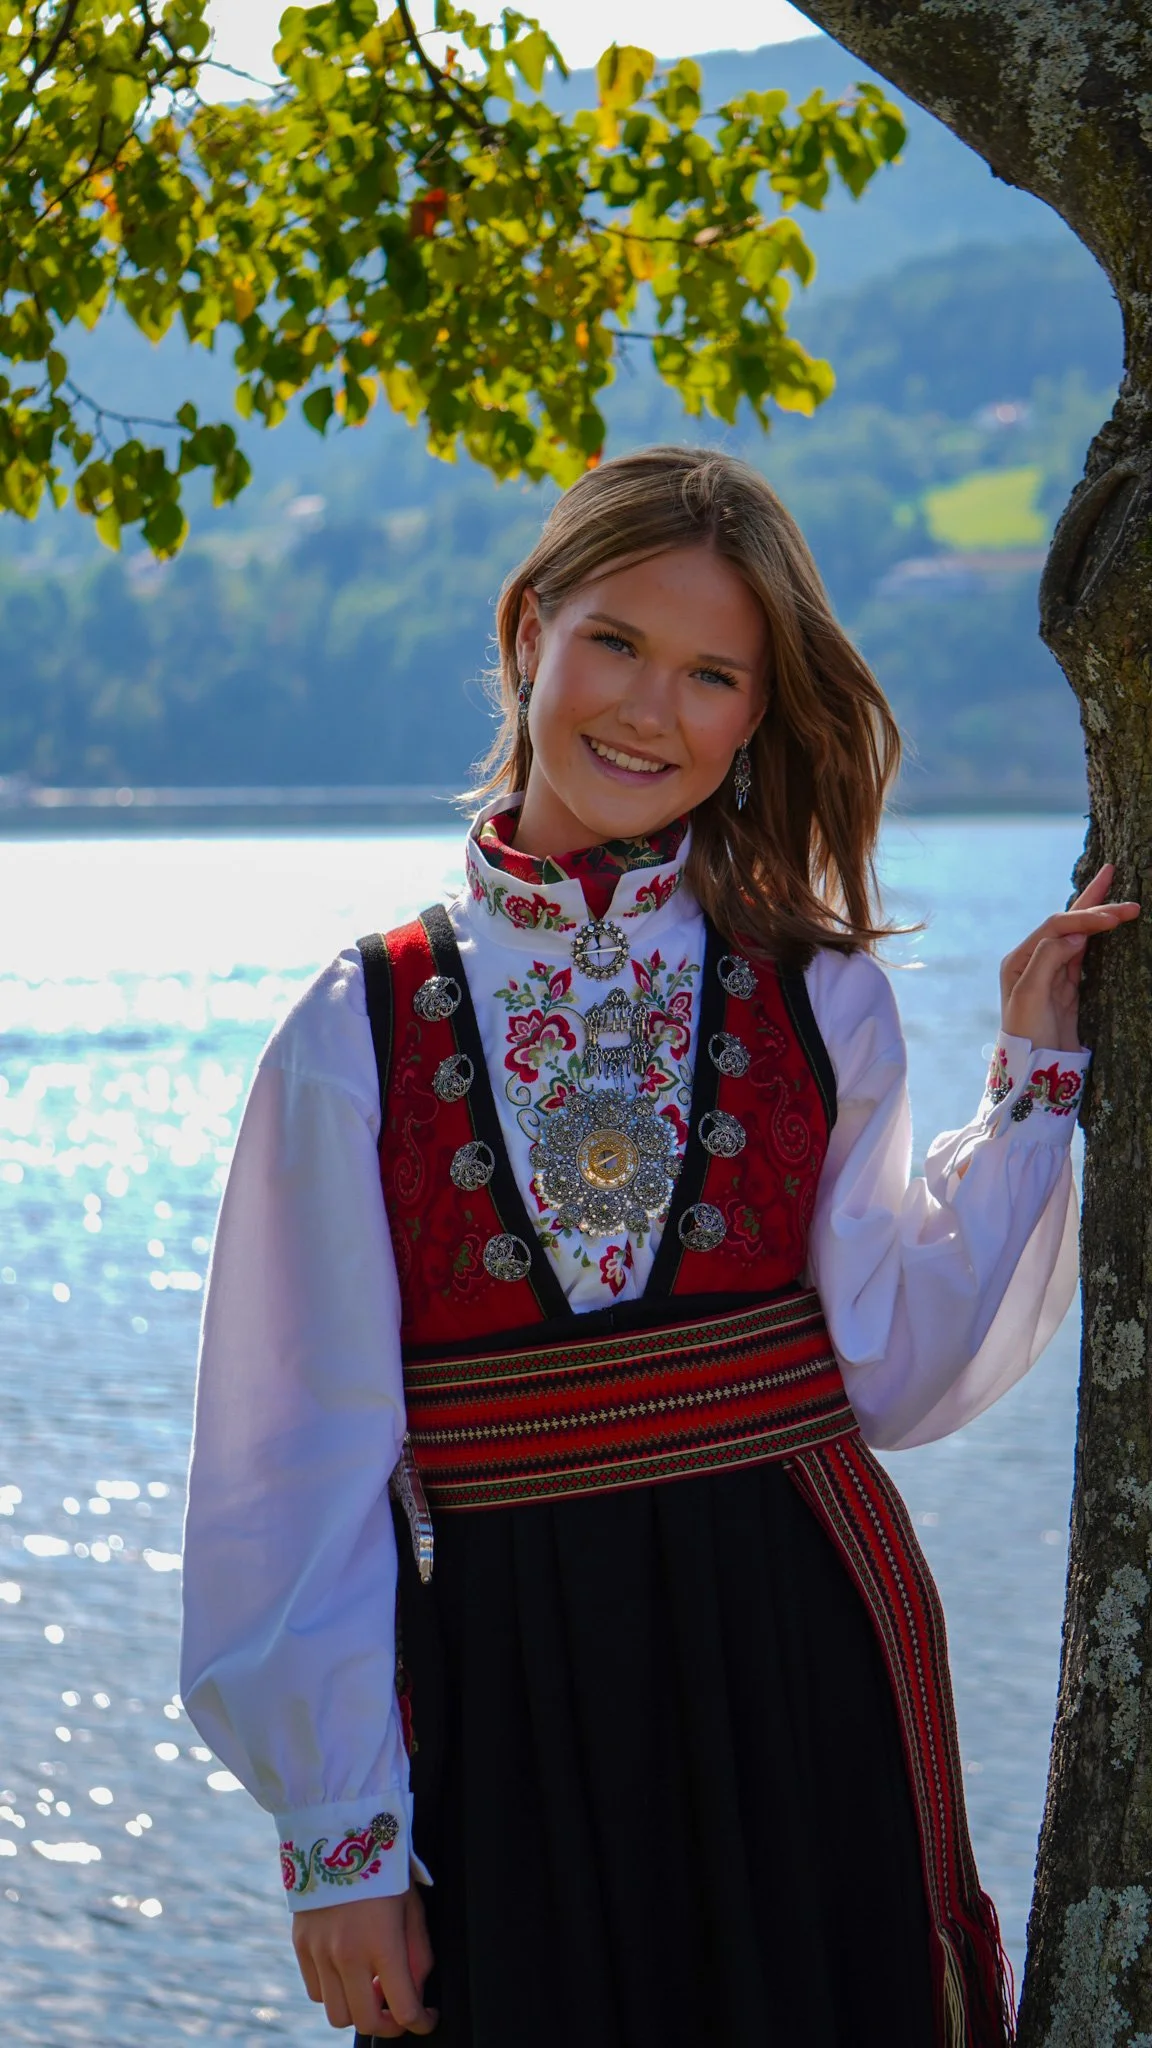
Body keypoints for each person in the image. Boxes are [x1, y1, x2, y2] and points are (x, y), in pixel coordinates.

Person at [180, 445, 1139, 2048]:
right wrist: (340, 1845)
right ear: (527, 632)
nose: (648, 709)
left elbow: (891, 1363)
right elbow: (295, 1464)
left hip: (804, 1642)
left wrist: (1033, 1090)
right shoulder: (361, 1024)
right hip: (504, 1675)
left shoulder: (822, 995)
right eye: (615, 642)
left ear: (758, 719)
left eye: (713, 676)